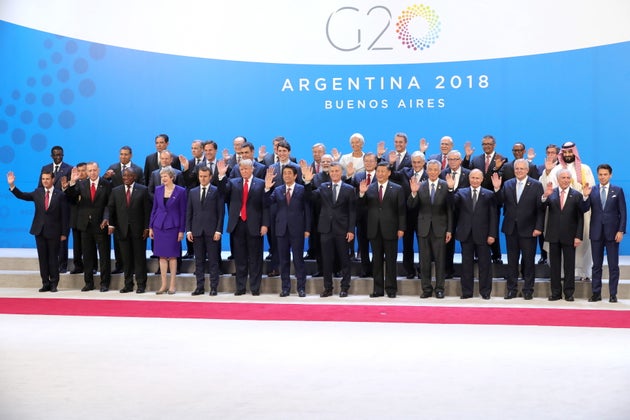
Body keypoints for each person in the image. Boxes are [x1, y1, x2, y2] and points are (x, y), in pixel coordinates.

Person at [539, 141, 595, 282]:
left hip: (579, 213)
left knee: (582, 243)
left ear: (574, 153)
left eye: (571, 152)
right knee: (557, 249)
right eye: (566, 152)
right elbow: (546, 189)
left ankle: (583, 272)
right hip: (558, 216)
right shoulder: (555, 169)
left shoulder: (584, 168)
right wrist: (547, 172)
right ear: (562, 153)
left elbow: (590, 189)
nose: (568, 154)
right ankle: (561, 275)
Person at [491, 159, 545, 300]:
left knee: (528, 261)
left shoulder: (536, 185)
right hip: (511, 230)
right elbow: (500, 201)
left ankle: (528, 290)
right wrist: (497, 189)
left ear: (527, 170)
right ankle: (512, 289)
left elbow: (540, 209)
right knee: (512, 262)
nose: (519, 171)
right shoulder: (508, 184)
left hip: (529, 229)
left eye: (522, 168)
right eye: (517, 169)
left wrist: (539, 227)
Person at [8, 170, 68, 292]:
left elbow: (65, 216)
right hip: (39, 231)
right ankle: (45, 283)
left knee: (53, 258)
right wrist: (12, 185)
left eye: (47, 179)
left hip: (54, 232)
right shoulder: (37, 192)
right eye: (43, 179)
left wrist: (64, 233)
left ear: (53, 179)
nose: (45, 181)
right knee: (43, 258)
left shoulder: (60, 195)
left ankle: (54, 283)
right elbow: (22, 196)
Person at [217, 159, 269, 295]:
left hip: (255, 225)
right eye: (242, 169)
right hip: (238, 224)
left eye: (246, 169)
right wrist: (221, 177)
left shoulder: (261, 183)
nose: (244, 171)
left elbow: (266, 206)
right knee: (240, 258)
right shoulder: (233, 183)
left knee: (255, 259)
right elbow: (222, 194)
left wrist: (264, 224)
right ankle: (240, 288)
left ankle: (255, 288)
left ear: (252, 169)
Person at [305, 162, 356, 297]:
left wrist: (351, 230)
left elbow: (352, 211)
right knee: (326, 260)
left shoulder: (349, 189)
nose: (334, 173)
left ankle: (345, 287)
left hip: (343, 230)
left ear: (341, 173)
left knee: (344, 260)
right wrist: (307, 182)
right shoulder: (323, 187)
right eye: (331, 171)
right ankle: (328, 288)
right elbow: (310, 197)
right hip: (326, 229)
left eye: (336, 171)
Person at [359, 162, 406, 298]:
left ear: (389, 173)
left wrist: (401, 228)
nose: (380, 174)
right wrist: (361, 194)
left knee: (391, 261)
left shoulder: (397, 189)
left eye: (383, 171)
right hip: (374, 230)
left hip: (391, 229)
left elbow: (401, 211)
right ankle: (378, 290)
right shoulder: (369, 188)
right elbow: (361, 209)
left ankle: (391, 289)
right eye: (378, 171)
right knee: (377, 261)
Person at [64, 162, 112, 292]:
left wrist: (106, 218)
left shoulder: (106, 184)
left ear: (99, 170)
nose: (92, 173)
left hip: (101, 225)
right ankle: (89, 283)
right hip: (85, 225)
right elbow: (71, 197)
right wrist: (72, 183)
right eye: (89, 170)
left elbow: (109, 204)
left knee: (104, 256)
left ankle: (104, 283)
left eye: (94, 170)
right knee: (88, 255)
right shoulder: (81, 184)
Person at [409, 160, 453, 299]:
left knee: (440, 261)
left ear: (440, 171)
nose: (433, 172)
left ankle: (439, 289)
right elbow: (411, 206)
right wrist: (414, 193)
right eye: (430, 169)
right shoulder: (420, 186)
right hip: (423, 229)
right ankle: (426, 289)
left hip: (440, 229)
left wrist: (449, 230)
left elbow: (451, 210)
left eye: (435, 170)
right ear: (426, 171)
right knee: (424, 261)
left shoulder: (446, 186)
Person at [451, 169, 498, 299]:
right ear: (469, 178)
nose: (475, 180)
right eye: (473, 178)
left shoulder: (489, 194)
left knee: (485, 265)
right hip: (466, 234)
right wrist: (451, 189)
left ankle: (485, 292)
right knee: (466, 265)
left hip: (483, 235)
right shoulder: (461, 192)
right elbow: (451, 204)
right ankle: (466, 292)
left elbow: (493, 216)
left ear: (482, 179)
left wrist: (492, 234)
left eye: (478, 178)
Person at [582, 164, 626, 303]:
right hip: (596, 233)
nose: (602, 177)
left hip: (613, 234)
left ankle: (613, 294)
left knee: (613, 266)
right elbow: (584, 209)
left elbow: (623, 213)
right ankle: (596, 293)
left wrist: (621, 230)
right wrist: (585, 196)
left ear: (610, 175)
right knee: (596, 265)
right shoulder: (592, 190)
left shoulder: (617, 191)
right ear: (597, 175)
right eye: (600, 174)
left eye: (605, 174)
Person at [265, 164, 311, 297]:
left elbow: (307, 208)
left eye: (289, 173)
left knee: (298, 260)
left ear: (295, 175)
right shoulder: (278, 190)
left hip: (297, 229)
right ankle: (285, 288)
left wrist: (307, 228)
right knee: (283, 261)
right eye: (284, 173)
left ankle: (301, 288)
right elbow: (267, 202)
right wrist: (267, 188)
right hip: (281, 230)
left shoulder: (302, 189)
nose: (287, 176)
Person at [542, 168, 585, 301]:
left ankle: (569, 293)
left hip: (570, 236)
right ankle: (555, 293)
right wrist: (544, 197)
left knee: (569, 266)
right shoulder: (551, 193)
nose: (565, 180)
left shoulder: (577, 195)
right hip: (553, 235)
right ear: (558, 179)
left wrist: (578, 236)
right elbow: (541, 208)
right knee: (554, 266)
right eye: (563, 178)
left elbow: (580, 218)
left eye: (568, 178)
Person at [106, 168, 151, 293]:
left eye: (129, 175)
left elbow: (147, 211)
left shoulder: (143, 190)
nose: (126, 177)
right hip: (122, 231)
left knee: (139, 259)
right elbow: (111, 209)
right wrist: (112, 225)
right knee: (126, 260)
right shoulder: (116, 191)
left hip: (139, 231)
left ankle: (141, 285)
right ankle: (128, 284)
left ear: (134, 176)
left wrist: (147, 227)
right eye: (124, 175)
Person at [462, 135, 505, 264]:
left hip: (493, 200)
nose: (486, 146)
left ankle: (496, 255)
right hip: (476, 200)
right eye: (484, 144)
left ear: (494, 145)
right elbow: (468, 173)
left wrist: (495, 169)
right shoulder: (476, 159)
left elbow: (499, 178)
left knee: (492, 228)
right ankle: (476, 254)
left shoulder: (501, 159)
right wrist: (467, 157)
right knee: (476, 227)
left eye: (489, 144)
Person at [103, 145, 145, 274]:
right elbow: (105, 186)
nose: (123, 156)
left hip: (134, 210)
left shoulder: (138, 169)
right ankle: (119, 264)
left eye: (126, 154)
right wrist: (105, 177)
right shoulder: (113, 168)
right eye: (121, 154)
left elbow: (142, 187)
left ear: (131, 155)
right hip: (118, 209)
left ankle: (135, 271)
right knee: (119, 241)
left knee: (136, 248)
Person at [265, 140, 303, 277]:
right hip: (276, 209)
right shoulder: (271, 168)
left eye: (284, 151)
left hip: (292, 212)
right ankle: (275, 267)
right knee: (276, 241)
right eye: (279, 151)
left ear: (289, 152)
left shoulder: (296, 167)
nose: (281, 153)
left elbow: (299, 190)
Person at [186, 166, 224, 296]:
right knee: (199, 261)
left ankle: (213, 287)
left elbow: (221, 213)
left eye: (205, 176)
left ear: (210, 177)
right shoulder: (192, 192)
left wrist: (218, 230)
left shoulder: (216, 191)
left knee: (213, 261)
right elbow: (189, 213)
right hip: (196, 232)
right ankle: (199, 287)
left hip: (212, 232)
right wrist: (188, 230)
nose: (202, 178)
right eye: (201, 176)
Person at [389, 151, 428, 279]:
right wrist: (391, 163)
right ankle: (409, 270)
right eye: (414, 162)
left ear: (424, 162)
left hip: (424, 215)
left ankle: (423, 270)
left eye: (419, 162)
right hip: (407, 215)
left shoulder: (430, 174)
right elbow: (392, 174)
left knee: (423, 246)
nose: (416, 165)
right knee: (407, 245)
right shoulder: (405, 172)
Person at [149, 168, 187, 294]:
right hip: (159, 226)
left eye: (165, 176)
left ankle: (172, 285)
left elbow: (183, 212)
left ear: (172, 177)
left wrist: (182, 230)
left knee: (172, 256)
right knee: (162, 256)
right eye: (162, 176)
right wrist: (151, 227)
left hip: (173, 227)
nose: (163, 179)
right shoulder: (158, 190)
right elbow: (154, 209)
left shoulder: (181, 191)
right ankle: (163, 285)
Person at [39, 145, 73, 273]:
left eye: (60, 155)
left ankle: (62, 265)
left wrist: (66, 187)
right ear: (51, 156)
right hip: (49, 209)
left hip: (63, 208)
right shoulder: (45, 168)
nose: (58, 157)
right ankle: (50, 264)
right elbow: (40, 188)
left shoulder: (69, 169)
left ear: (63, 155)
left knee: (63, 237)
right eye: (56, 155)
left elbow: (71, 190)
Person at [345, 152, 378, 276]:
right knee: (363, 245)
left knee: (376, 246)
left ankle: (375, 269)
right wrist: (349, 176)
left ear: (376, 163)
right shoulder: (358, 176)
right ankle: (365, 269)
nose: (368, 163)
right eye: (366, 161)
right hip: (361, 217)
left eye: (371, 161)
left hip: (377, 217)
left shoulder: (380, 175)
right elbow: (349, 192)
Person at [440, 150, 470, 278]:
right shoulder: (442, 174)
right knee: (447, 243)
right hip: (447, 213)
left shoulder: (468, 174)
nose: (452, 162)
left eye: (455, 159)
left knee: (467, 242)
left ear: (460, 160)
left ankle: (467, 271)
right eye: (450, 159)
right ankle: (448, 270)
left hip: (465, 213)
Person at [179, 139, 205, 259]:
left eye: (196, 148)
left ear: (202, 149)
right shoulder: (188, 163)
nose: (193, 150)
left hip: (206, 197)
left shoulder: (208, 162)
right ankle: (190, 251)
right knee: (190, 222)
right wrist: (186, 169)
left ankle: (206, 251)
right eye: (192, 148)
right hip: (191, 197)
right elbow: (186, 182)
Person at [535, 144, 560, 265]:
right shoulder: (541, 168)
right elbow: (538, 184)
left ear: (557, 154)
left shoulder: (563, 168)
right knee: (543, 230)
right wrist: (547, 171)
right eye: (548, 153)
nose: (550, 155)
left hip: (559, 206)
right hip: (544, 204)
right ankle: (543, 256)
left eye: (552, 153)